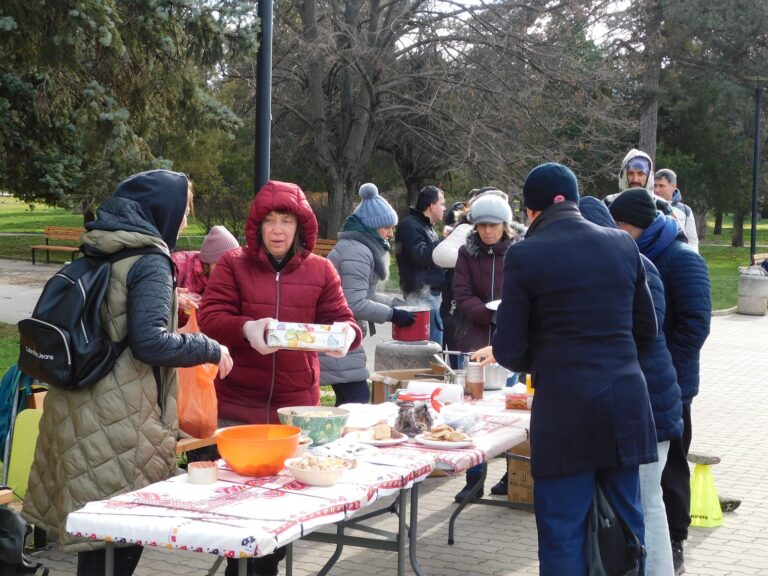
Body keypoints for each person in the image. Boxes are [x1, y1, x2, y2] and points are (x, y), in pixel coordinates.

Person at [22, 169, 234, 576]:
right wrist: (210, 347)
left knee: (98, 538)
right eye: (183, 213)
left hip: (79, 405)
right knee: (120, 541)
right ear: (162, 211)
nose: (184, 224)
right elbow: (150, 343)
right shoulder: (150, 260)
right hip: (122, 414)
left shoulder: (103, 247)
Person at [492, 163, 658, 575]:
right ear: (575, 200)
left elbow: (509, 349)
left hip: (564, 412)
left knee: (563, 532)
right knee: (626, 528)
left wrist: (548, 359)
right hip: (624, 407)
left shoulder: (526, 254)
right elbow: (647, 331)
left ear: (532, 212)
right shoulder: (622, 244)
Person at [198, 180, 362, 576]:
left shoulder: (321, 270)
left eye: (286, 221)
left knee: (280, 516)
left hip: (295, 414)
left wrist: (346, 335)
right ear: (257, 226)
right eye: (269, 220)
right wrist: (247, 328)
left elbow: (345, 321)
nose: (277, 230)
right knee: (238, 514)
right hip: (238, 410)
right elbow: (210, 317)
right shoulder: (233, 264)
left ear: (300, 227)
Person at [609, 188, 712, 575]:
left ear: (634, 224)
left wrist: (664, 366)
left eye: (619, 225)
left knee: (672, 468)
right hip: (642, 383)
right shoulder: (633, 254)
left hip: (672, 385)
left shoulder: (682, 258)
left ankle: (676, 538)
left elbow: (696, 326)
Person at [580, 195, 683, 575]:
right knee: (647, 501)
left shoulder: (637, 267)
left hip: (649, 406)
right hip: (647, 402)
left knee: (646, 502)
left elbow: (645, 331)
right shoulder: (624, 265)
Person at [451, 192, 524, 502]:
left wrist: (507, 315)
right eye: (481, 225)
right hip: (475, 336)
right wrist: (487, 313)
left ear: (505, 225)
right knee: (473, 409)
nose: (487, 231)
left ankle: (511, 473)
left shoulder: (520, 252)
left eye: (493, 225)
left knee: (511, 410)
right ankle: (474, 478)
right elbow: (461, 292)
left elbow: (525, 290)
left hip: (511, 338)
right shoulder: (466, 254)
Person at [319, 183, 415, 405]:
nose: (391, 233)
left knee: (353, 399)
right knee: (357, 400)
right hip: (334, 332)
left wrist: (395, 303)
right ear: (371, 227)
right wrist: (393, 314)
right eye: (386, 227)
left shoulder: (359, 246)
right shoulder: (358, 251)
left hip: (337, 331)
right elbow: (354, 302)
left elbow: (364, 295)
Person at [394, 185, 447, 345]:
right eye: (442, 204)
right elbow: (421, 256)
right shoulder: (410, 225)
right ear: (431, 206)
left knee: (433, 346)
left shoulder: (425, 226)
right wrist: (445, 242)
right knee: (430, 348)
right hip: (421, 295)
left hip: (429, 294)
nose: (445, 208)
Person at [173, 224, 240, 326]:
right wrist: (172, 299)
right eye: (221, 264)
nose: (228, 271)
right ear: (207, 262)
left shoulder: (236, 280)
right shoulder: (176, 264)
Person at [654, 168, 699, 252]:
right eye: (655, 186)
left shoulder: (685, 210)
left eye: (661, 186)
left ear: (673, 187)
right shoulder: (648, 207)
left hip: (679, 256)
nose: (656, 190)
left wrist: (692, 257)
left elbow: (692, 241)